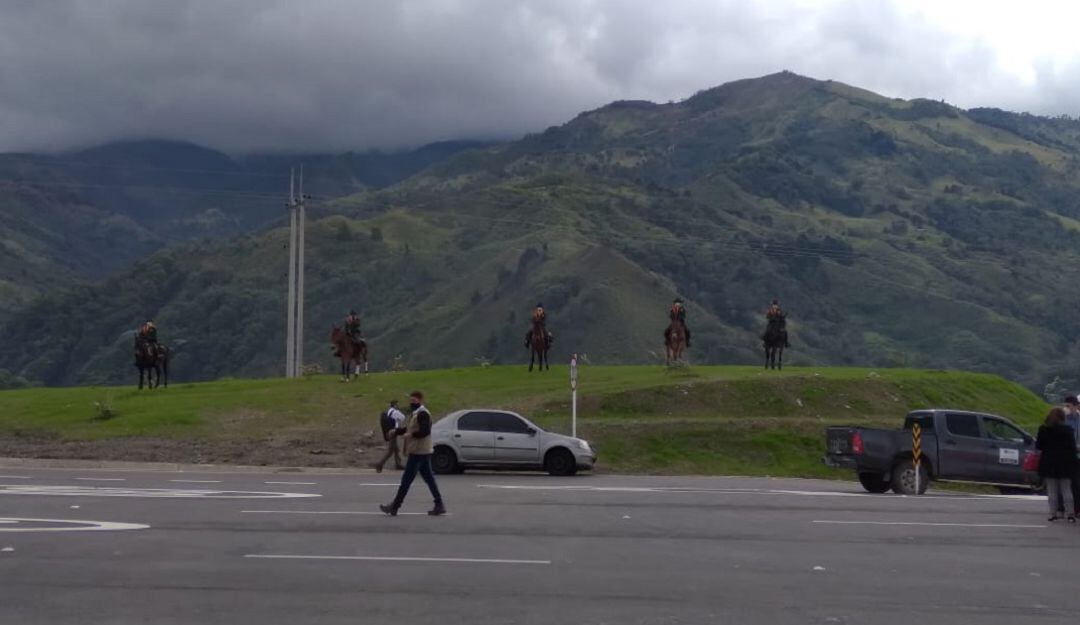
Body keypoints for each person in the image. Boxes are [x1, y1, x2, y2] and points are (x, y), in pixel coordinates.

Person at [380, 391, 446, 516]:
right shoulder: (416, 414)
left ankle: (395, 506)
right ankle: (439, 504)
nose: (411, 403)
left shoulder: (423, 414)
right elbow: (410, 428)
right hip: (422, 451)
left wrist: (410, 435)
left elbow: (425, 431)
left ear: (420, 401)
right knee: (429, 479)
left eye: (414, 401)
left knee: (406, 480)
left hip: (418, 451)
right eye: (410, 401)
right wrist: (396, 431)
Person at [1036, 406, 1077, 522]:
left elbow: (1039, 445)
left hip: (1049, 463)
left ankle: (1052, 514)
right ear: (1062, 417)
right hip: (1065, 463)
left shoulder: (1043, 429)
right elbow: (1072, 448)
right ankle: (1070, 514)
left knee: (1052, 490)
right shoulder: (1068, 430)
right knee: (1066, 489)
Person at [372, 399, 406, 473]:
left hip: (389, 432)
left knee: (396, 449)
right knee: (390, 451)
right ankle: (380, 464)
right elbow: (403, 417)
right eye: (397, 404)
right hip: (393, 432)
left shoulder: (389, 411)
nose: (398, 406)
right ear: (395, 405)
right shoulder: (395, 412)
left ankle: (398, 464)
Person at [1065, 396, 1080, 515]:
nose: (1066, 408)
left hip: (1078, 454)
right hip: (1068, 454)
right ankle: (1069, 507)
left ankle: (1076, 508)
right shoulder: (1064, 419)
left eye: (1068, 406)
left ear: (1076, 406)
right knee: (1069, 483)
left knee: (1076, 482)